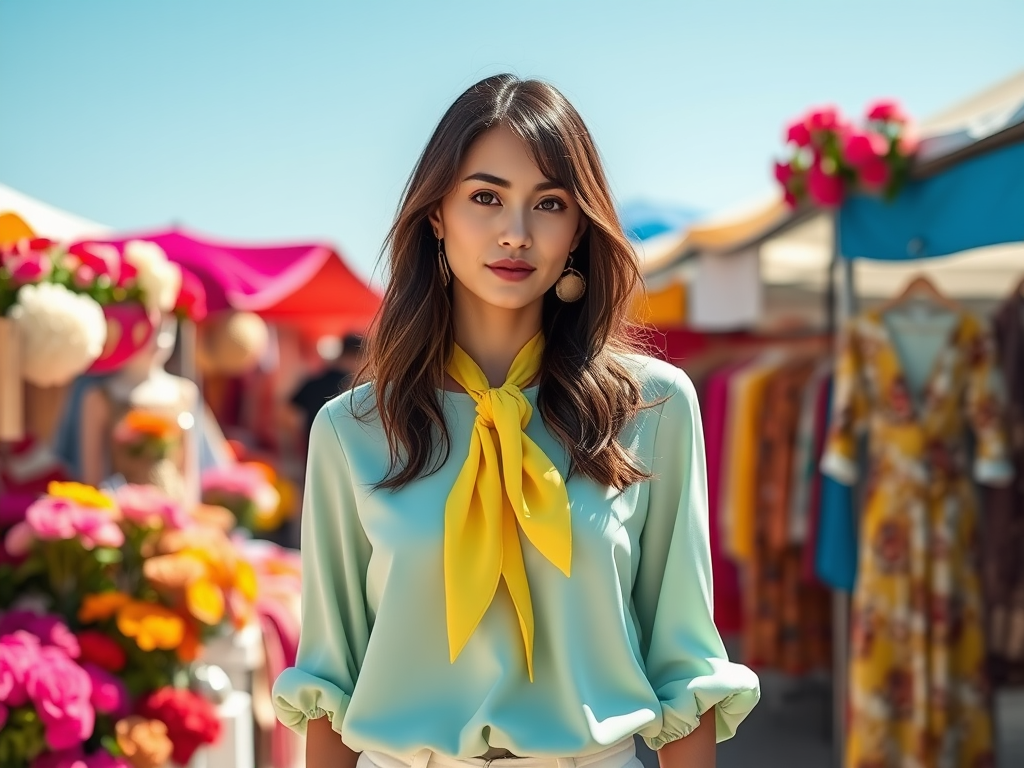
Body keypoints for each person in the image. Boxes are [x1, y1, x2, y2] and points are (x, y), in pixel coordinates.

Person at [272, 74, 760, 768]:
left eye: (550, 203)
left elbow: (685, 663)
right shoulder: (350, 429)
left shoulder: (652, 406)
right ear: (436, 214)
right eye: (485, 197)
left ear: (578, 228)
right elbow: (330, 675)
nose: (516, 232)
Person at [288, 333, 364, 447]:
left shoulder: (315, 381)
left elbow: (289, 411)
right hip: (343, 448)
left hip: (314, 445)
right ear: (355, 356)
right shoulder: (355, 387)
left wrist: (300, 433)